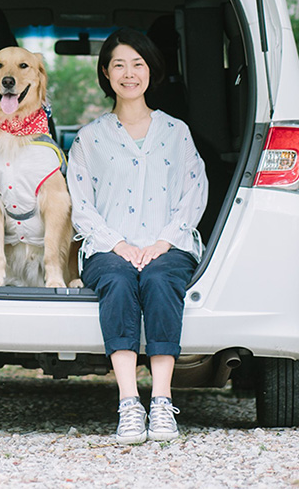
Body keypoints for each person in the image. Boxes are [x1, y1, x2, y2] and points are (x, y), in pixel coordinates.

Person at [66, 27, 207, 444]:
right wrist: (119, 245)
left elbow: (193, 191)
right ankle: (129, 404)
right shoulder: (89, 138)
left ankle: (162, 402)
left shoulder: (176, 131)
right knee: (119, 279)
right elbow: (80, 203)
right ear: (106, 74)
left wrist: (163, 242)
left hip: (168, 243)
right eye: (119, 65)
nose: (130, 74)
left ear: (151, 71)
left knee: (162, 279)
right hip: (108, 246)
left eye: (138, 64)